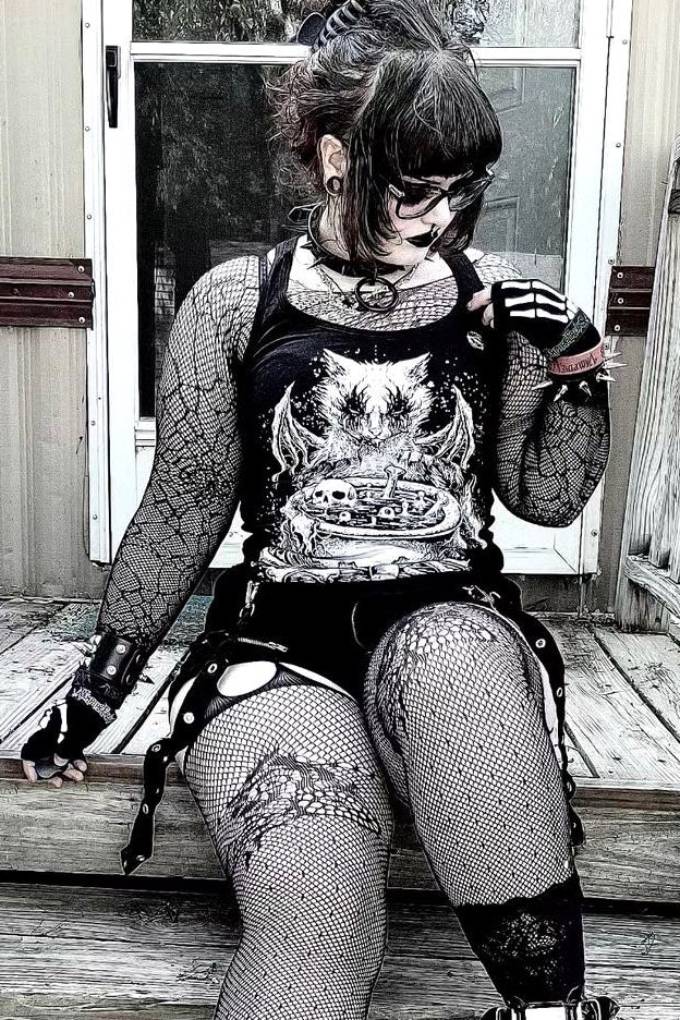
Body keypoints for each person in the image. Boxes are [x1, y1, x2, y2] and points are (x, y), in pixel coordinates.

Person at [21, 2, 625, 1018]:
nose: (441, 218)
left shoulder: (492, 302)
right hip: (278, 647)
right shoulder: (237, 300)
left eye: (463, 190)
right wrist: (96, 692)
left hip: (446, 626)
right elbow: (184, 505)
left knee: (453, 663)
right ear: (339, 158)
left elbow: (548, 494)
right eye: (415, 191)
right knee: (315, 921)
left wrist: (574, 363)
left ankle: (550, 1009)